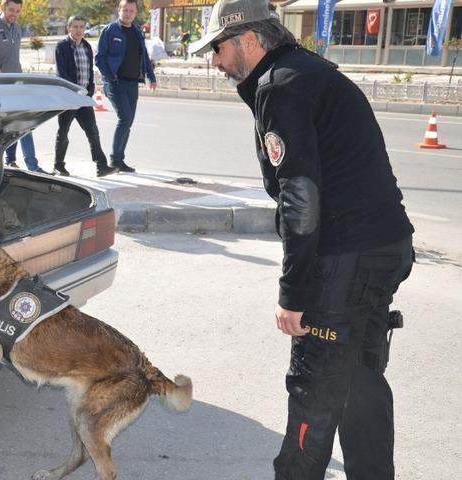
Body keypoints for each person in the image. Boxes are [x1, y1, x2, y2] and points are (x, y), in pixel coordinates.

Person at [189, 0, 415, 478]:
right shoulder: (307, 70)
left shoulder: (280, 86)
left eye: (218, 48)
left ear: (249, 39)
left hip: (345, 259)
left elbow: (300, 197)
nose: (215, 61)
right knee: (360, 383)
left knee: (315, 391)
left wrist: (293, 295)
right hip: (385, 246)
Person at [0, 0, 47, 174]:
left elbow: (14, 58)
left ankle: (31, 166)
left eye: (17, 11)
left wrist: (20, 80)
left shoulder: (16, 28)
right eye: (11, 10)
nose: (14, 14)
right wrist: (2, 80)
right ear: (2, 7)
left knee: (24, 124)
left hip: (14, 85)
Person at [95, 0, 157, 174]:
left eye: (131, 11)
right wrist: (110, 78)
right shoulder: (110, 30)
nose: (128, 13)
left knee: (128, 121)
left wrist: (151, 76)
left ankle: (119, 160)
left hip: (132, 83)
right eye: (125, 10)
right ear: (119, 10)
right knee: (125, 118)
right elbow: (99, 58)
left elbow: (144, 57)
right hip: (115, 83)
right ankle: (115, 159)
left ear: (135, 13)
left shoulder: (137, 32)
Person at [53, 16, 117, 178]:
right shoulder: (62, 46)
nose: (78, 30)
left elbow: (89, 71)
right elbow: (62, 74)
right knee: (63, 132)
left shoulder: (87, 46)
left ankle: (101, 166)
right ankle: (58, 166)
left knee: (92, 131)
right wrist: (74, 91)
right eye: (75, 26)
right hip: (68, 98)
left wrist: (90, 90)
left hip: (84, 98)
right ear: (68, 28)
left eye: (81, 27)